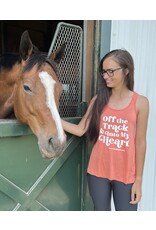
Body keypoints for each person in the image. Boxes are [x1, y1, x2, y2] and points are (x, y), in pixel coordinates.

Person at [62, 49, 149, 211]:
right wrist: (51, 117)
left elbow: (140, 143)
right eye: (103, 72)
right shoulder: (98, 100)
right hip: (98, 172)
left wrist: (138, 180)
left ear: (126, 71)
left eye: (111, 71)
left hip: (126, 175)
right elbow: (81, 129)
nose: (105, 76)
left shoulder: (141, 103)